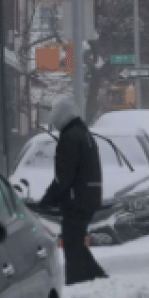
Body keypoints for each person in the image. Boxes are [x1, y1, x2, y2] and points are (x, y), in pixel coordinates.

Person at [37, 97, 107, 285]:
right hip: (88, 197)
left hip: (77, 200)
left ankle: (80, 279)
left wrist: (47, 200)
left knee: (72, 242)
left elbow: (64, 177)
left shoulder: (70, 138)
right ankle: (92, 277)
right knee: (74, 241)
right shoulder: (84, 134)